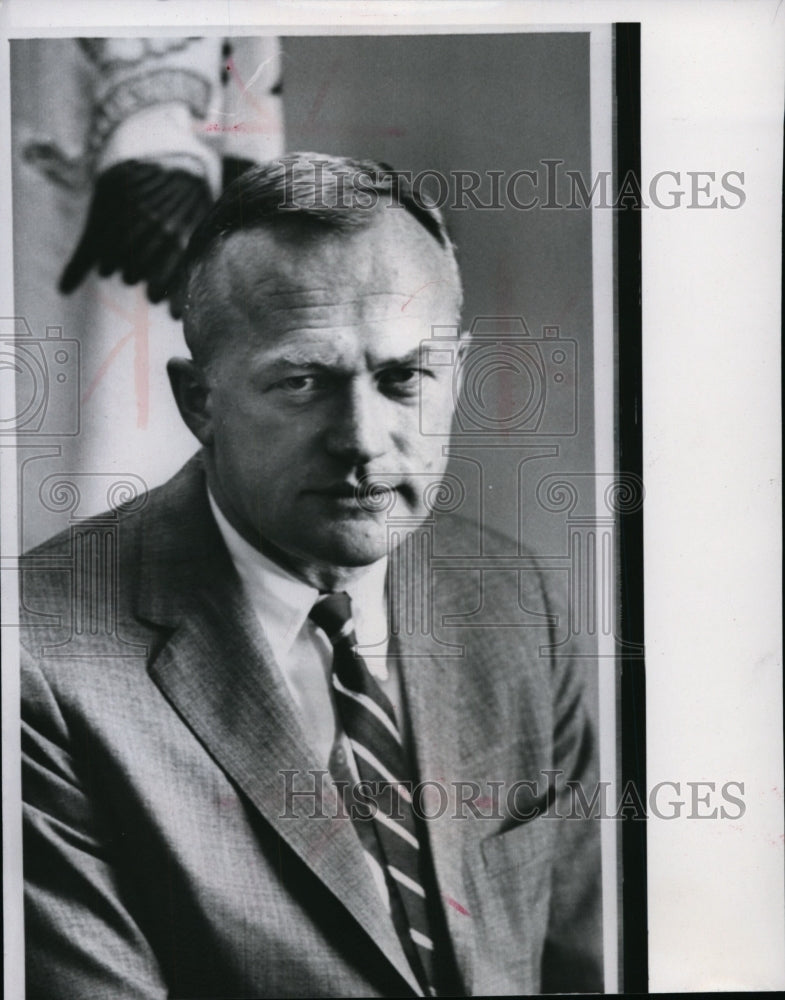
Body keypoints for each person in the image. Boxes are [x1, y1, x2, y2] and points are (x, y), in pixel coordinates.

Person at [19, 153, 603, 998]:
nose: (362, 439)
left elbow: (590, 966)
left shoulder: (512, 601)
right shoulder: (39, 662)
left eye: (404, 378)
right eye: (302, 382)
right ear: (200, 403)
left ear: (457, 376)